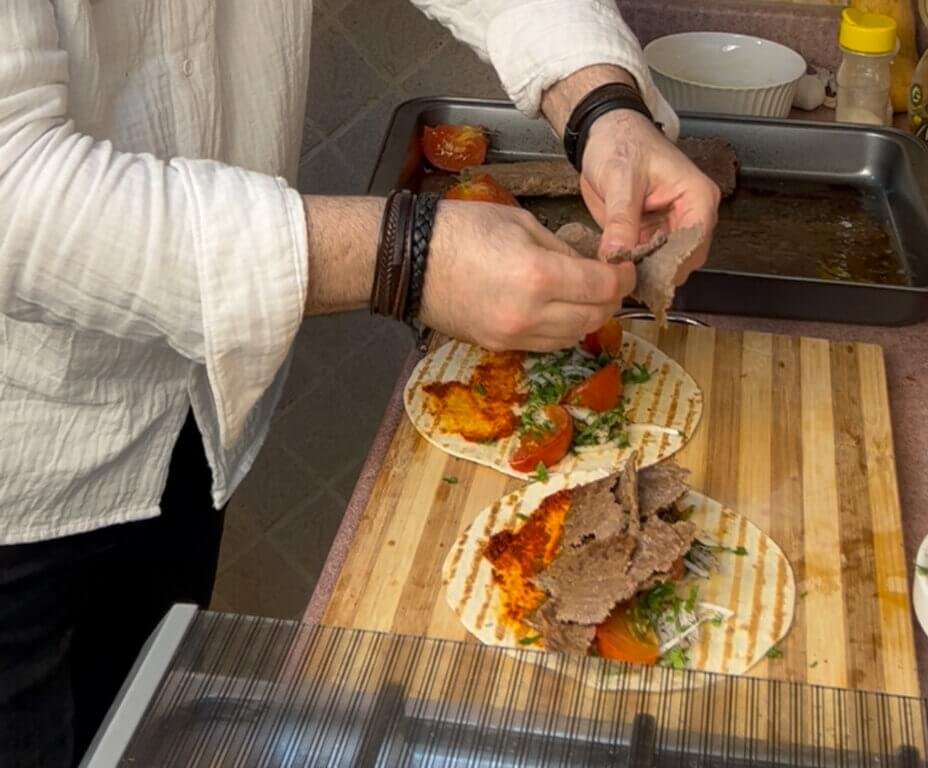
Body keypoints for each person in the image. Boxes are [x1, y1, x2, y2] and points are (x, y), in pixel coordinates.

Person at [0, 1, 719, 765]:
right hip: (24, 457)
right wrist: (407, 255)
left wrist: (601, 104)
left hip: (190, 422)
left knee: (137, 729)